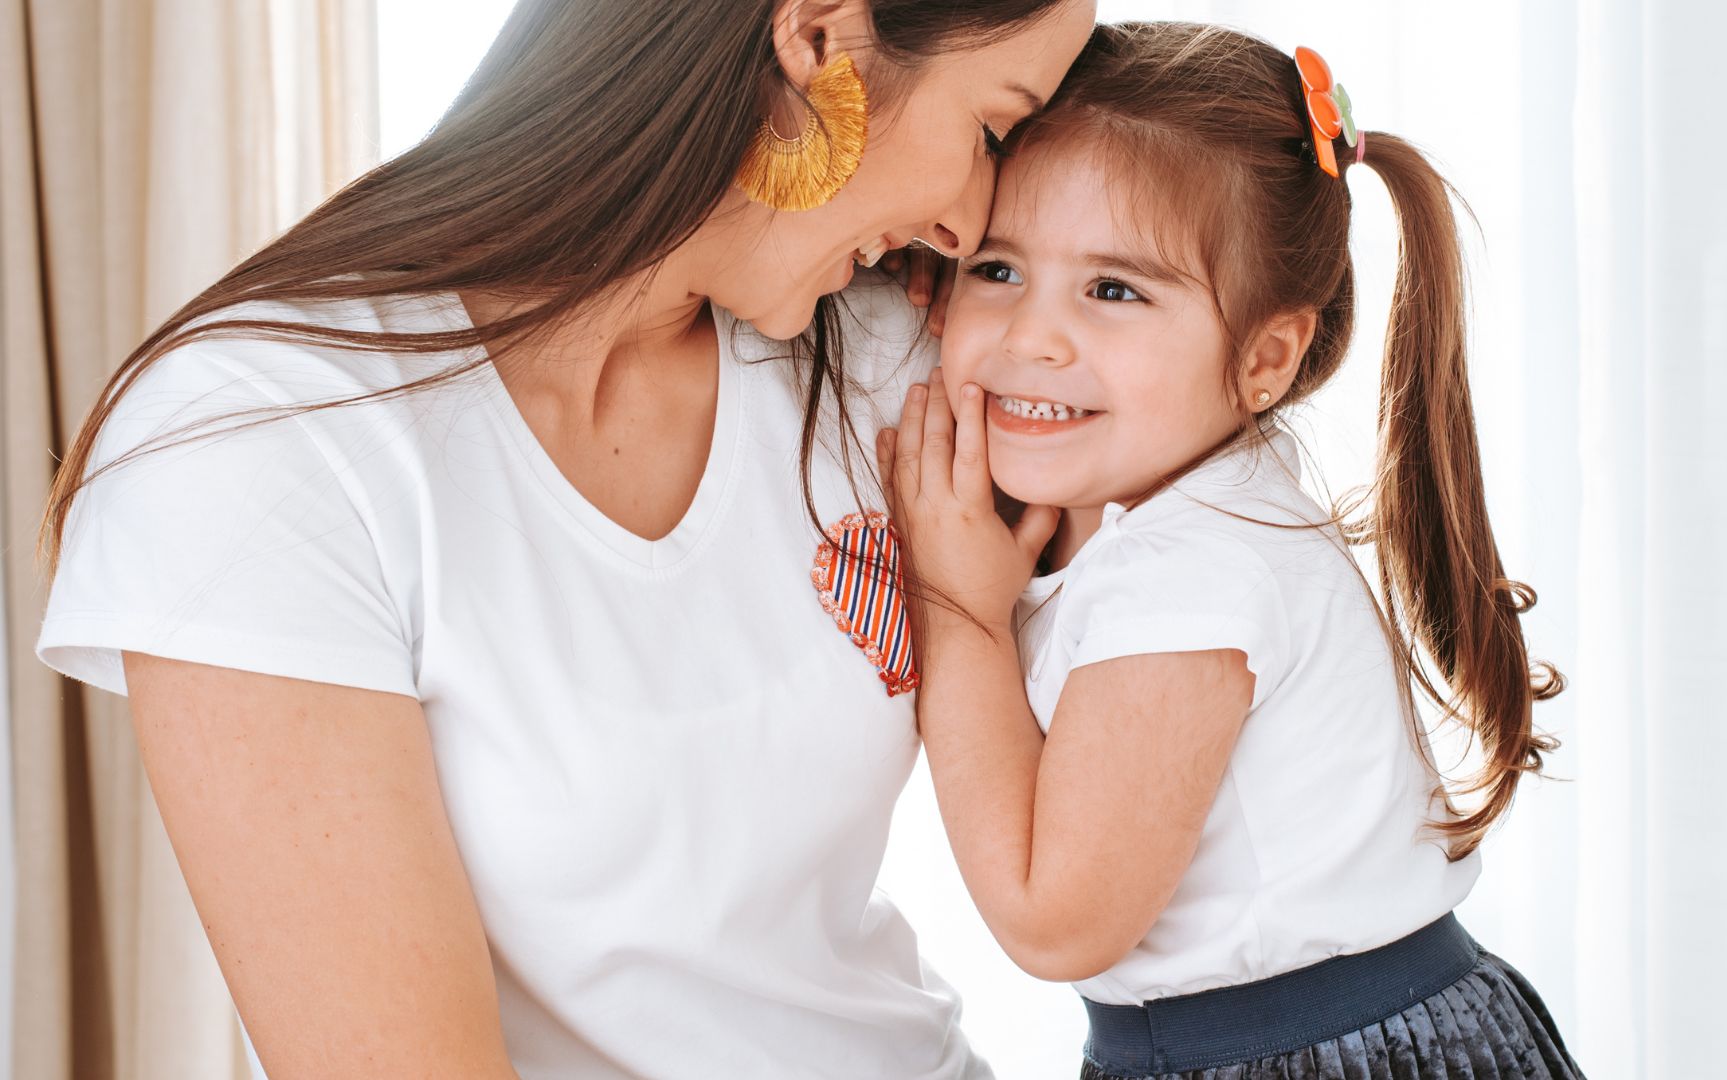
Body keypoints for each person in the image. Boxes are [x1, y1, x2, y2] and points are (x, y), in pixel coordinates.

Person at [33, 1, 1095, 1076]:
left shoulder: (882, 353)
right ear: (817, 41)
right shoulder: (266, 436)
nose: (971, 223)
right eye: (992, 131)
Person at [879, 22, 1586, 1079]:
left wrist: (957, 608)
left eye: (1114, 290)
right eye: (997, 268)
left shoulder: (1194, 572)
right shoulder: (1167, 512)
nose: (1034, 335)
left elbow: (1056, 921)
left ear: (1265, 356)